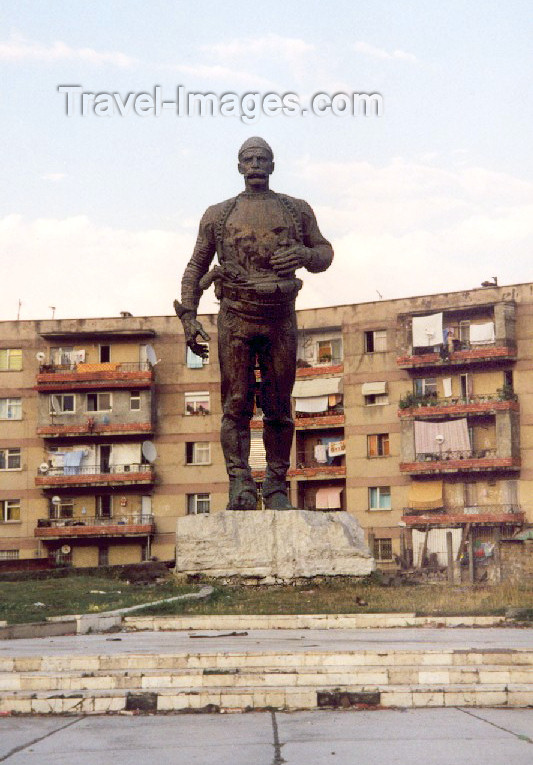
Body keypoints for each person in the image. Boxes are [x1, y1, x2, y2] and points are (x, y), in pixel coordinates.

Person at [174, 137, 333, 511]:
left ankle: (276, 484)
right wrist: (190, 317)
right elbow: (196, 266)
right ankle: (241, 484)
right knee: (236, 404)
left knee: (279, 406)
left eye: (263, 158)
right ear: (239, 166)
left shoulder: (296, 209)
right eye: (249, 158)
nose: (256, 163)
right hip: (236, 317)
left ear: (273, 165)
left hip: (280, 316)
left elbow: (324, 252)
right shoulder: (218, 214)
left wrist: (305, 254)